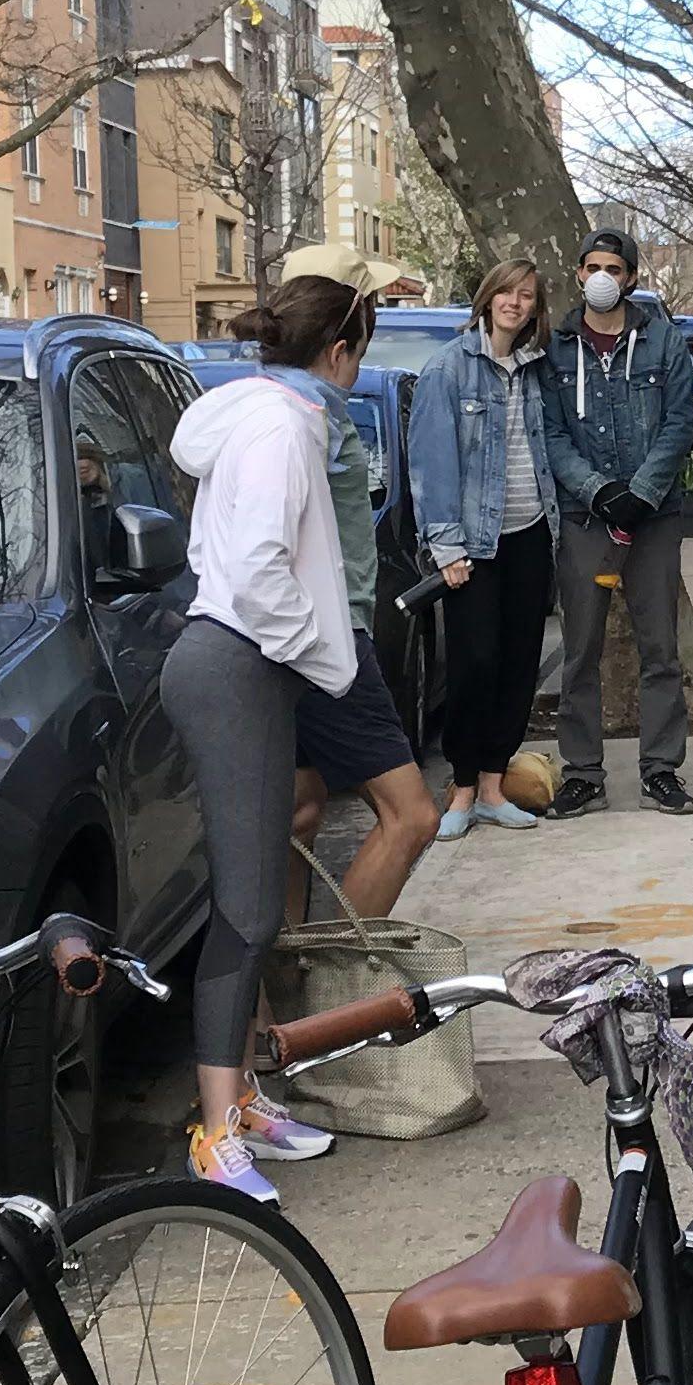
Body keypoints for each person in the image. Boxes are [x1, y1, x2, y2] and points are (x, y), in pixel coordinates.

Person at [164, 274, 366, 1199]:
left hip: (234, 664)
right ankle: (215, 1133)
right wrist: (312, 648)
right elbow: (256, 569)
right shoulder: (284, 428)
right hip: (238, 665)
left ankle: (239, 1102)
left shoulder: (252, 417)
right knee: (245, 911)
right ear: (339, 353)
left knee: (249, 901)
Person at [271, 256, 440, 923]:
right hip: (330, 639)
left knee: (301, 808)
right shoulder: (306, 418)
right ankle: (337, 986)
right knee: (411, 816)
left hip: (303, 638)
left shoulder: (281, 404)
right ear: (339, 348)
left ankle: (280, 989)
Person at [546, 222, 693, 818]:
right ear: (579, 273)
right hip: (586, 519)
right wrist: (598, 489)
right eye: (593, 267)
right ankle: (583, 772)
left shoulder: (662, 341)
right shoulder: (556, 347)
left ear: (631, 278)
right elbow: (551, 432)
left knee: (659, 646)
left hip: (654, 518)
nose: (602, 278)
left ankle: (661, 769)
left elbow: (679, 421)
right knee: (579, 649)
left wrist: (641, 493)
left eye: (615, 268)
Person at [411, 252, 561, 840]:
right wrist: (445, 546)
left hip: (530, 536)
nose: (515, 303)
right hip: (474, 545)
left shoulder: (535, 368)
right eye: (507, 292)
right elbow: (431, 463)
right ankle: (463, 787)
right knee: (474, 664)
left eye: (527, 295)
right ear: (488, 297)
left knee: (520, 664)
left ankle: (495, 787)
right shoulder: (448, 369)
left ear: (534, 309)